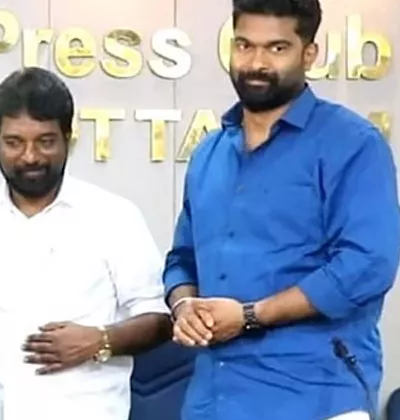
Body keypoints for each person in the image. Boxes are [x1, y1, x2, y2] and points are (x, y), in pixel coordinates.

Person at [163, 1, 400, 419]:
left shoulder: (352, 144)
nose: (255, 63)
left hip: (314, 397)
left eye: (276, 48)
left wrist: (250, 316)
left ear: (309, 54)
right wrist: (184, 308)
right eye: (244, 45)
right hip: (213, 399)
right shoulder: (209, 154)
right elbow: (182, 260)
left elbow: (366, 265)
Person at [0, 67, 172, 420]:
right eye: (14, 142)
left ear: (67, 138)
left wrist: (100, 340)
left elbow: (159, 319)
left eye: (45, 141)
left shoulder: (114, 217)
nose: (30, 156)